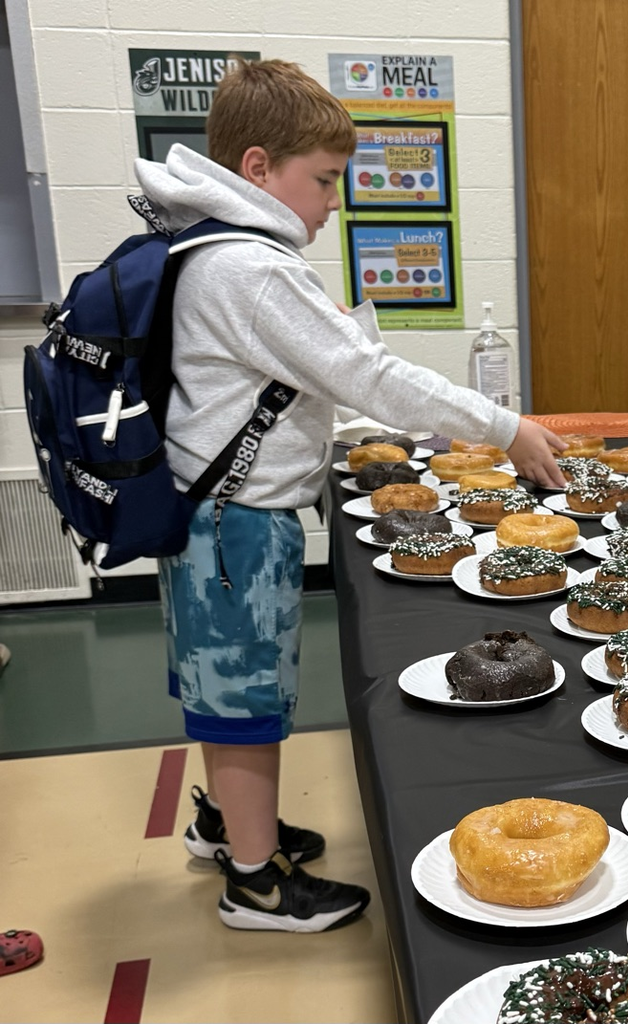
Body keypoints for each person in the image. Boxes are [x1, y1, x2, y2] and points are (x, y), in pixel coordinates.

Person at [134, 58, 567, 934]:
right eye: (325, 179)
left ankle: (230, 828)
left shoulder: (208, 245)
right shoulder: (249, 269)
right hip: (235, 526)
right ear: (258, 167)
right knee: (245, 701)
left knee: (224, 687)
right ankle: (254, 884)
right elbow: (368, 374)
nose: (334, 202)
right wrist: (502, 425)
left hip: (208, 516)